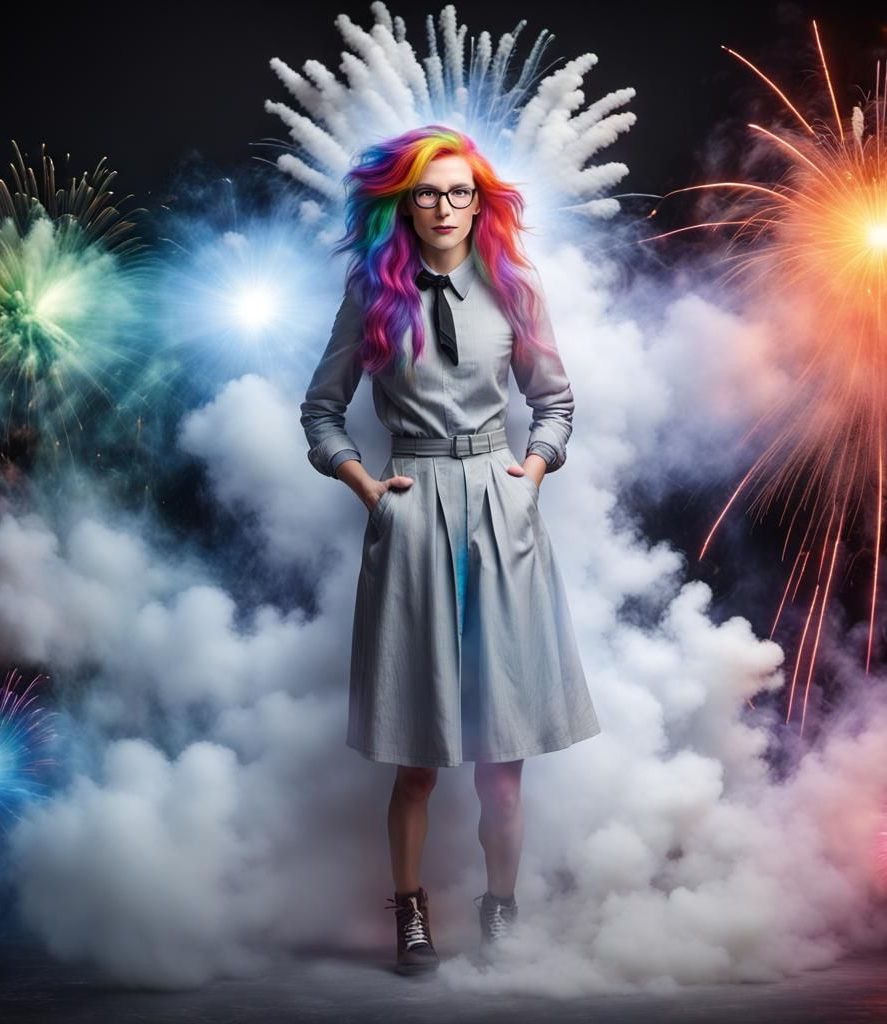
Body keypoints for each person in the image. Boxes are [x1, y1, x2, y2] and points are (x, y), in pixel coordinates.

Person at [299, 125, 601, 975]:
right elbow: (320, 412)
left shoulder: (514, 287)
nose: (444, 207)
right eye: (427, 193)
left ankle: (501, 908)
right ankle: (411, 915)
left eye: (460, 192)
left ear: (480, 201)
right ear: (404, 201)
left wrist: (532, 473)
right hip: (413, 505)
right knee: (420, 758)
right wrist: (366, 489)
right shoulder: (372, 291)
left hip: (501, 511)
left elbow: (556, 403)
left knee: (503, 762)